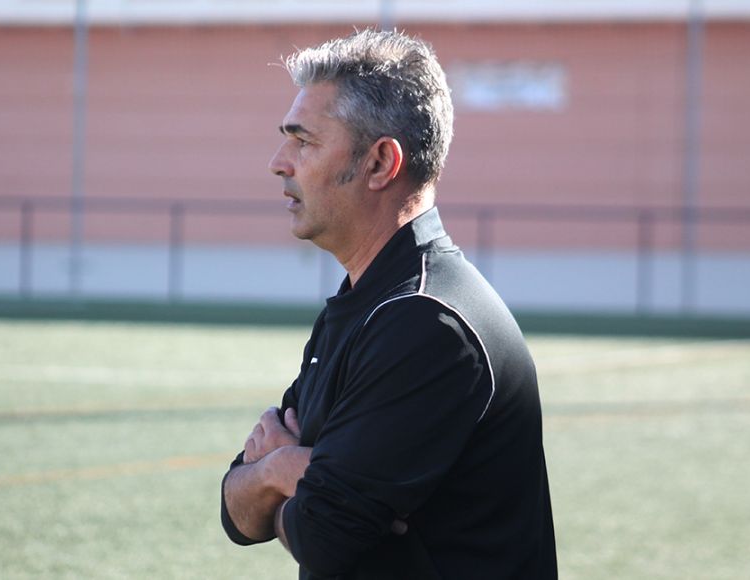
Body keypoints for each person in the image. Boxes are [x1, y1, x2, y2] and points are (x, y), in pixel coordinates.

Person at [220, 29, 557, 579]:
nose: (279, 162)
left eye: (304, 141)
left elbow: (325, 538)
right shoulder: (366, 302)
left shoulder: (427, 320)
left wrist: (282, 472)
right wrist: (283, 470)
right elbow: (236, 515)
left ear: (380, 163)